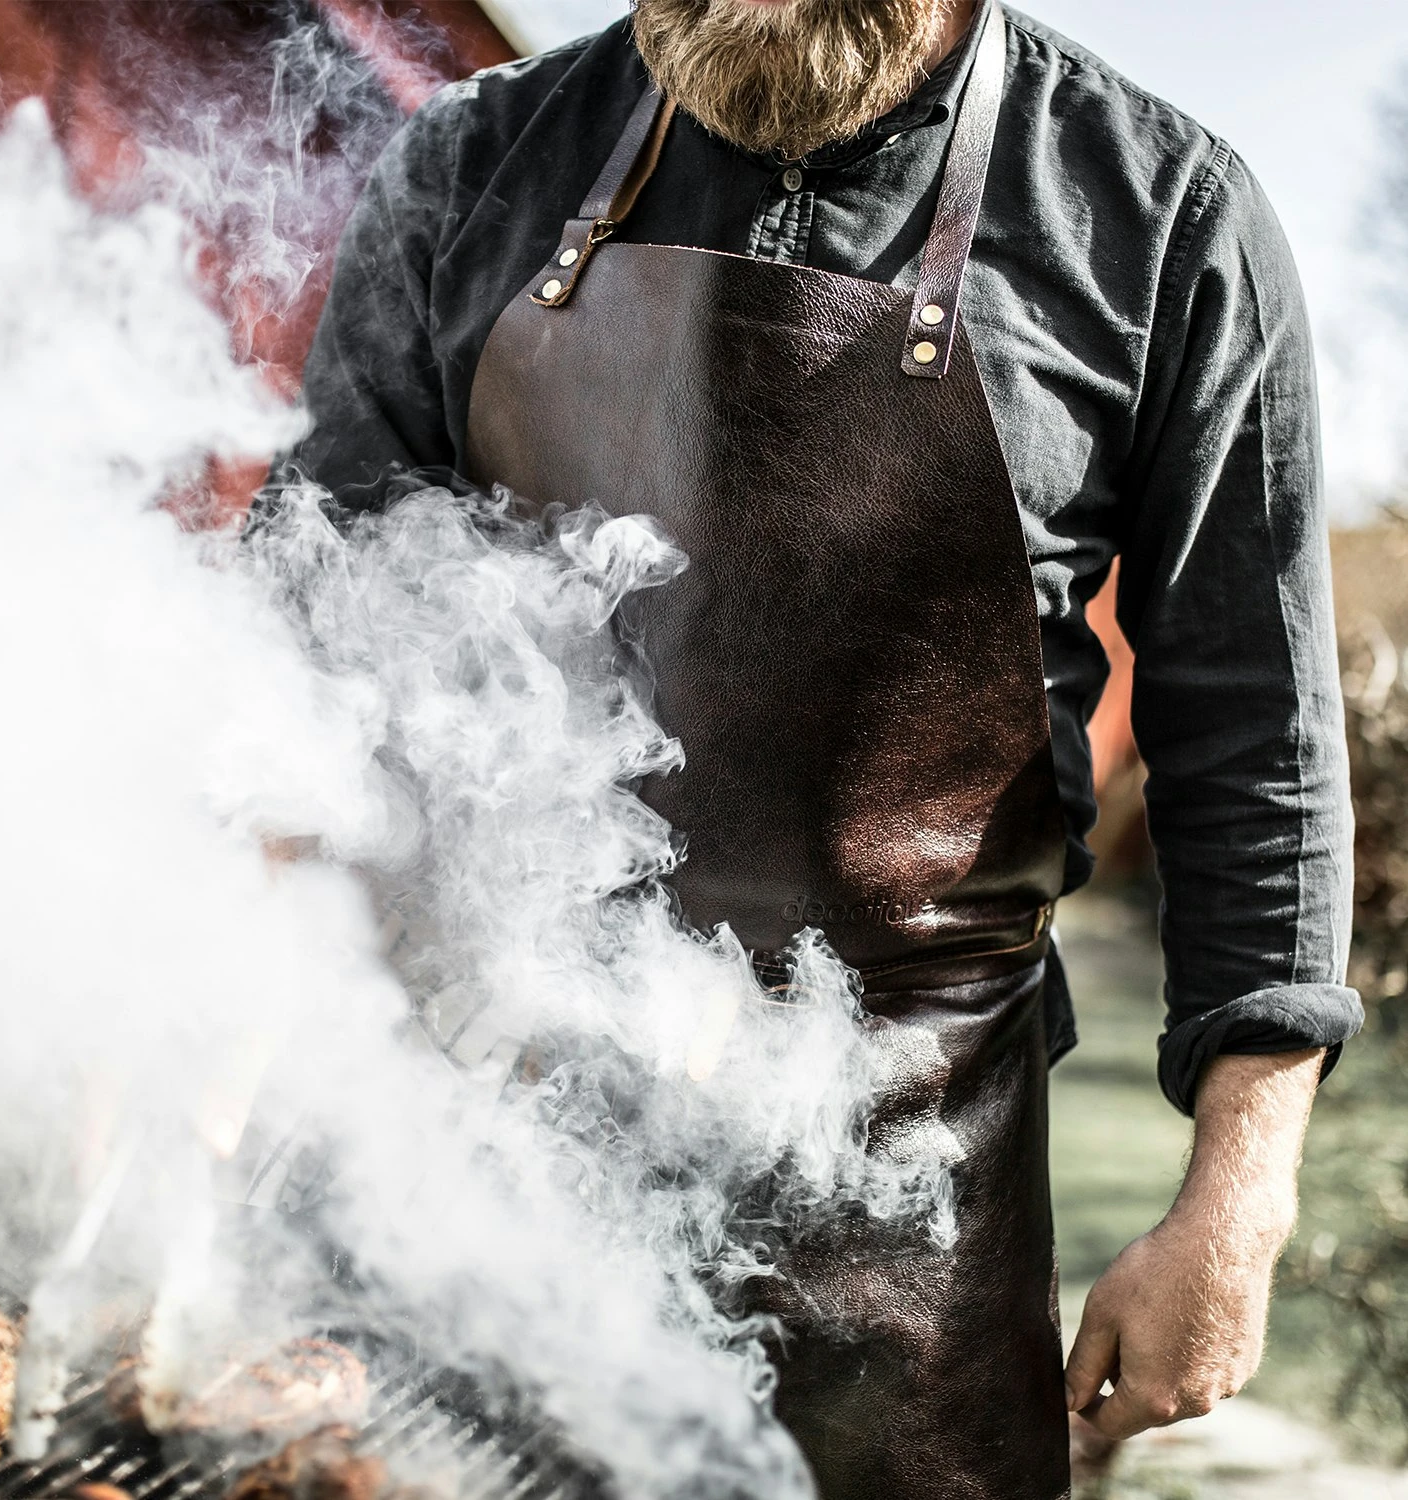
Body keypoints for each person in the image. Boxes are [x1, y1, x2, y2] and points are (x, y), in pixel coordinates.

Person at [260, 1, 1363, 1494]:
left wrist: (1237, 1203)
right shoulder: (475, 160)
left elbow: (1256, 738)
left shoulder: (1165, 210)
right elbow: (312, 648)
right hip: (488, 1154)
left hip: (909, 1195)